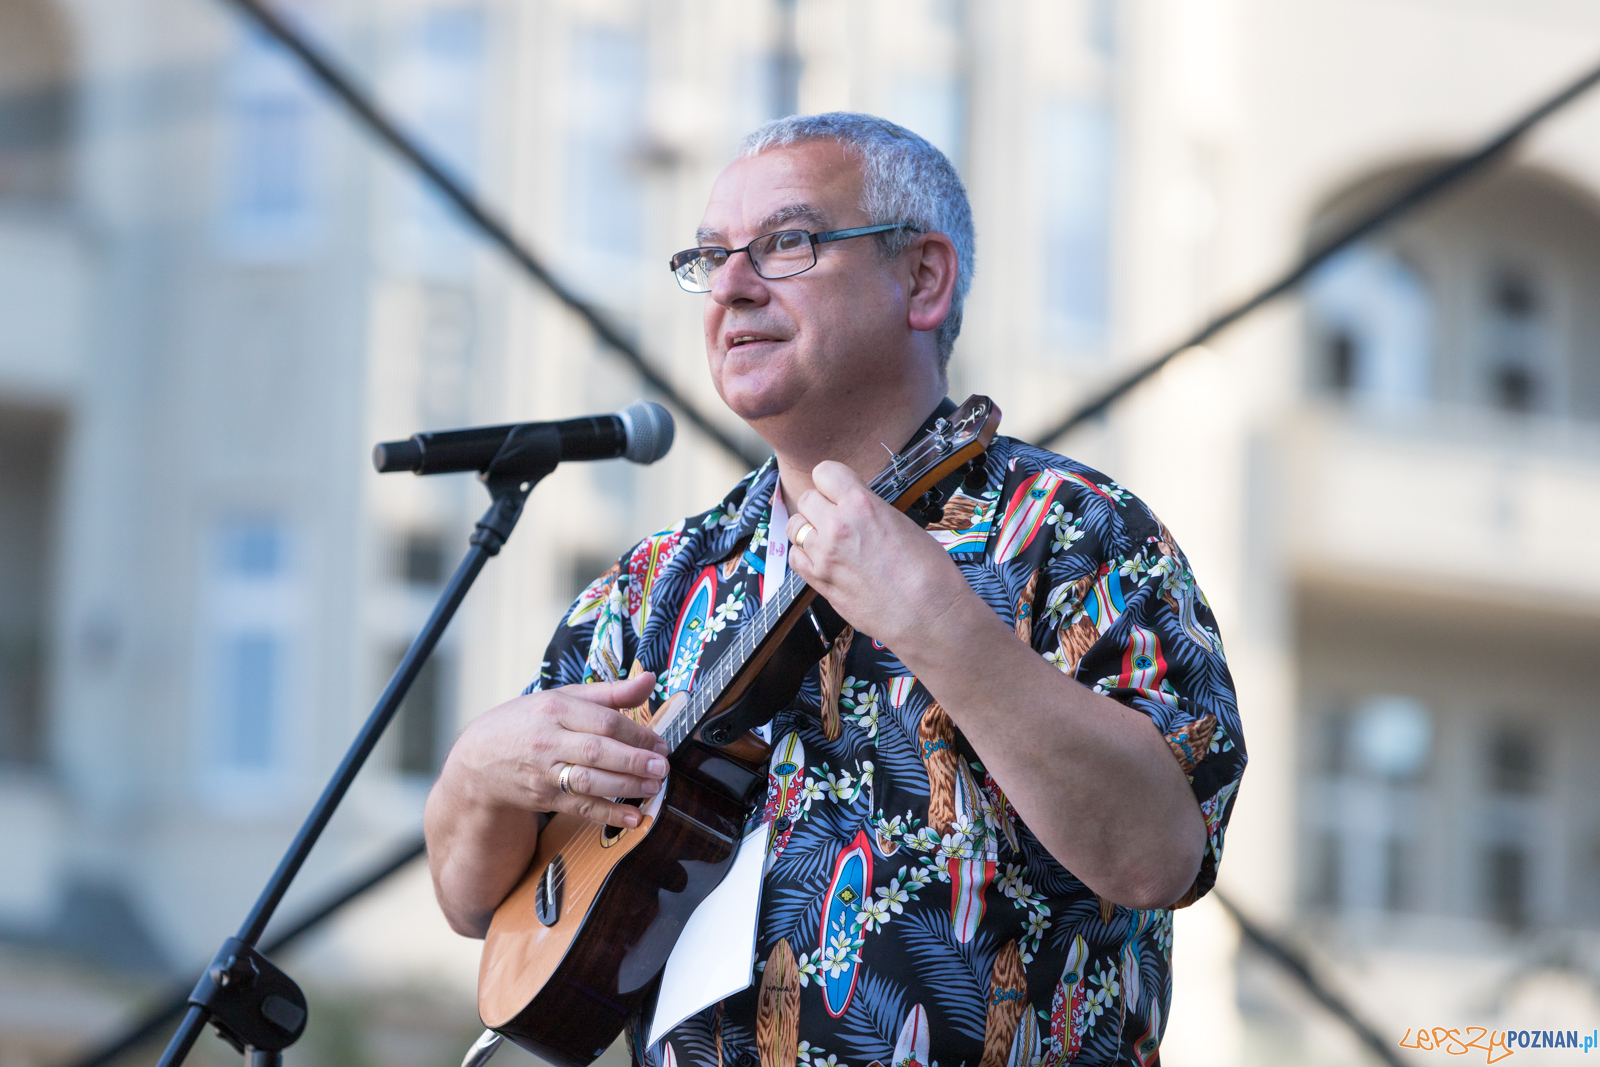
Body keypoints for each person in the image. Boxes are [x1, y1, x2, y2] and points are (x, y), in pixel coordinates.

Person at [425, 112, 1245, 1067]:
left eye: (786, 243)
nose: (731, 285)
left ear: (922, 279)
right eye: (710, 255)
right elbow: (475, 901)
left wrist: (934, 617)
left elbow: (1158, 853)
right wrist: (476, 773)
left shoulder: (1075, 529)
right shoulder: (658, 582)